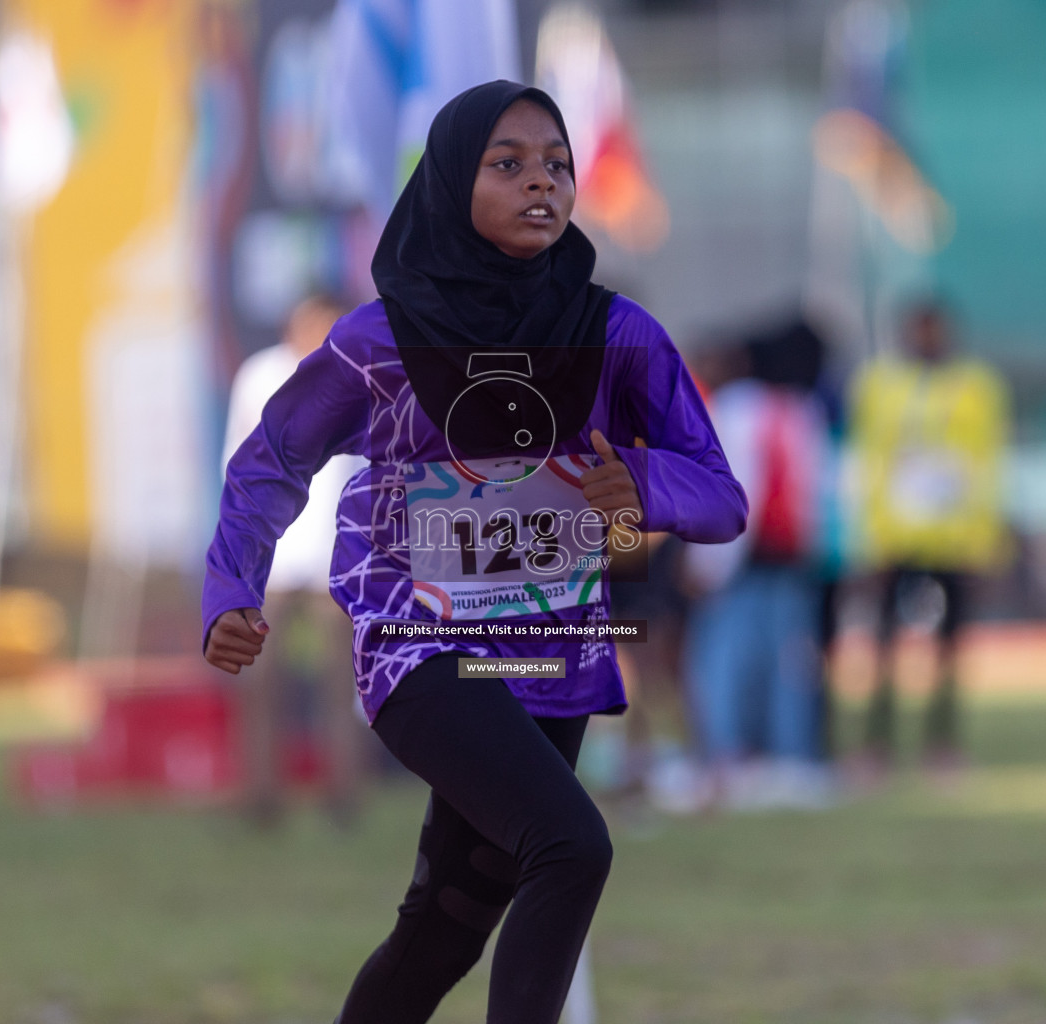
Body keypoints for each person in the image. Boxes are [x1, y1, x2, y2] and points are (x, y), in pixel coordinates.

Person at [202, 81, 745, 1024]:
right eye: (508, 165)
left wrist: (646, 489)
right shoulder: (381, 341)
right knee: (572, 846)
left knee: (445, 925)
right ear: (452, 182)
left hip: (550, 652)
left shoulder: (615, 336)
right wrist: (229, 586)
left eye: (557, 164)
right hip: (422, 645)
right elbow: (272, 458)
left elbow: (721, 493)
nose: (542, 183)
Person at [221, 293, 368, 824]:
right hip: (274, 557)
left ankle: (343, 796)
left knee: (343, 679)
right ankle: (261, 797)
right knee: (260, 679)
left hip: (338, 554)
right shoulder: (261, 376)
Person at [847, 298, 1009, 778]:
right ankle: (877, 746)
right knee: (882, 649)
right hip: (895, 540)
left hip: (957, 542)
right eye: (918, 330)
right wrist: (870, 541)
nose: (926, 339)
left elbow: (989, 466)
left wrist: (985, 544)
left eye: (934, 330)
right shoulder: (879, 387)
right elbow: (867, 466)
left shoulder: (979, 387)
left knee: (950, 652)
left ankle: (942, 745)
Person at [682, 333, 833, 811]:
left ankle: (727, 754)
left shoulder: (737, 408)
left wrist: (708, 562)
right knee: (789, 664)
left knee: (724, 660)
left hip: (743, 559)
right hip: (789, 556)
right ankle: (790, 755)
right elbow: (816, 490)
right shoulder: (801, 408)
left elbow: (734, 488)